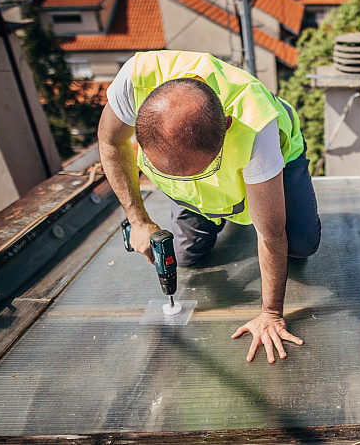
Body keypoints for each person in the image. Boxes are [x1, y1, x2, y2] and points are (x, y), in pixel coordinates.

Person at [97, 50, 321, 364]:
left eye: (200, 173)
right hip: (206, 185)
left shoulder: (256, 125)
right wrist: (138, 220)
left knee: (299, 244)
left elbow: (271, 235)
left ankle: (236, 206)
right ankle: (214, 214)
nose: (190, 181)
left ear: (226, 126)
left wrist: (270, 314)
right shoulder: (133, 82)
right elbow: (109, 143)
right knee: (186, 256)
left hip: (280, 154)